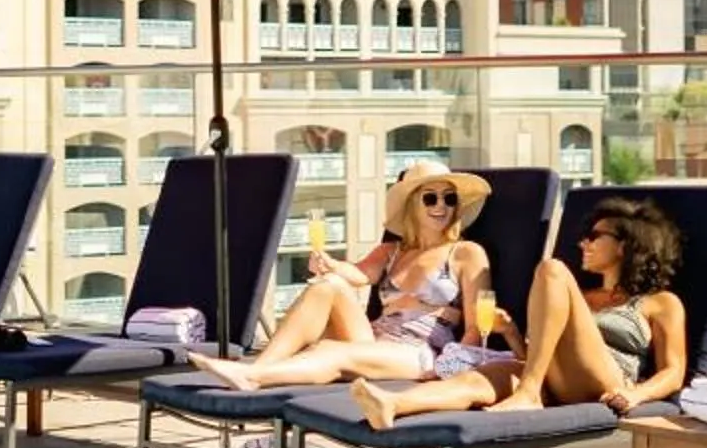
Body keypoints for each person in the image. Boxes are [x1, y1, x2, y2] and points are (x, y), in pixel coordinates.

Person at [348, 196, 688, 431]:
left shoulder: (659, 303)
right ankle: (393, 405)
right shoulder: (579, 297)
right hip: (550, 383)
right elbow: (537, 356)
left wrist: (636, 394)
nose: (583, 243)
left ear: (628, 244)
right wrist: (511, 334)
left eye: (594, 236)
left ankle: (526, 394)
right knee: (477, 380)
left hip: (609, 383)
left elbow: (674, 372)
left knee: (552, 270)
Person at [186, 164, 497, 391]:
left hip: (421, 353)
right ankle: (260, 368)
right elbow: (358, 275)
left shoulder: (466, 253)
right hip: (375, 340)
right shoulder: (392, 250)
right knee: (327, 285)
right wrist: (330, 264)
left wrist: (450, 369)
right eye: (431, 198)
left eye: (449, 198)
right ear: (413, 204)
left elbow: (474, 327)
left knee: (327, 351)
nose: (441, 205)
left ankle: (253, 377)